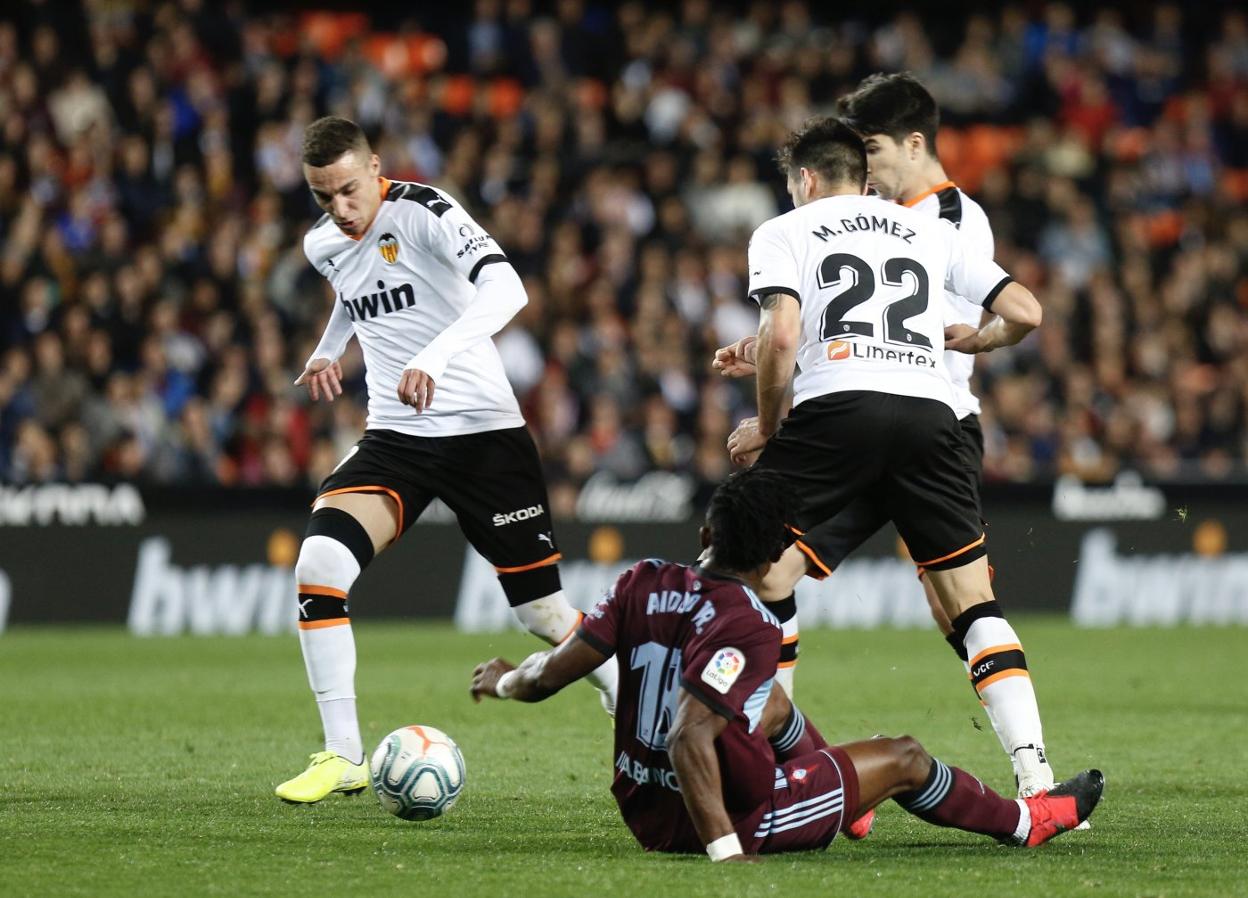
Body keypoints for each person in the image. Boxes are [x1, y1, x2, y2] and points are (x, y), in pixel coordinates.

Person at [470, 469, 1103, 861]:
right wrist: (726, 853)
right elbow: (688, 733)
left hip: (645, 806)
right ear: (776, 553)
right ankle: (1028, 821)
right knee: (906, 756)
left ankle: (848, 807)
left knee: (768, 704)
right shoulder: (749, 623)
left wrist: (501, 679)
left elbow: (550, 672)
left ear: (705, 534)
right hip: (732, 817)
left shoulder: (642, 581)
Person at [714, 77, 1054, 798]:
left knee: (752, 568)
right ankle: (1038, 781)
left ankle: (777, 766)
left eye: (876, 149)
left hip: (849, 416)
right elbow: (1026, 309)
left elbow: (792, 328)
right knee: (965, 605)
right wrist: (983, 338)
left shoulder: (806, 225)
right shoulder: (923, 225)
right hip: (935, 423)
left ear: (806, 179)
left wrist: (770, 425)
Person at [275, 116, 617, 804]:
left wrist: (435, 353)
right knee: (319, 567)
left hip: (485, 438)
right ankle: (344, 754)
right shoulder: (323, 244)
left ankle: (625, 693)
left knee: (543, 617)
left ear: (376, 168)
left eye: (348, 190)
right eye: (322, 197)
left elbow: (508, 290)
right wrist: (327, 346)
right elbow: (354, 293)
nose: (339, 210)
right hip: (397, 439)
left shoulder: (425, 212)